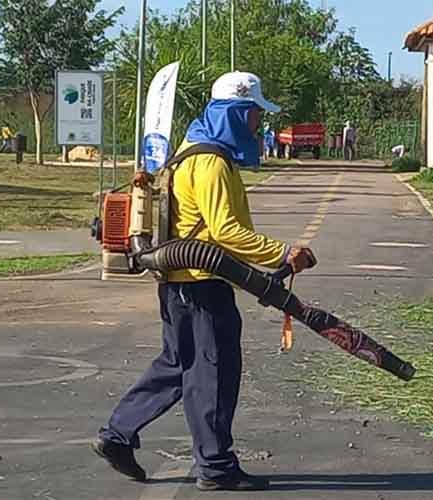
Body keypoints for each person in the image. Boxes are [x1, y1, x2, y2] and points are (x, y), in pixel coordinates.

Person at [92, 71, 316, 492]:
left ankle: (117, 434)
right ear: (237, 114)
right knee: (213, 372)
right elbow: (225, 231)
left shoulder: (188, 150)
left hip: (177, 283)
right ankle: (215, 466)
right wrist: (283, 253)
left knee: (179, 365)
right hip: (202, 283)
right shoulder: (211, 163)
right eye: (254, 114)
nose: (258, 124)